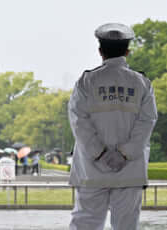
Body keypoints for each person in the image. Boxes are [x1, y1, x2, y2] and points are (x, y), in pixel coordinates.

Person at [68, 23, 158, 230]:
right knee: (126, 225)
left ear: (100, 51)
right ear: (127, 51)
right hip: (130, 170)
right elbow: (147, 121)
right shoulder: (142, 83)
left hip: (92, 169)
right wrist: (124, 154)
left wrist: (99, 153)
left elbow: (78, 120)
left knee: (85, 223)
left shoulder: (86, 81)